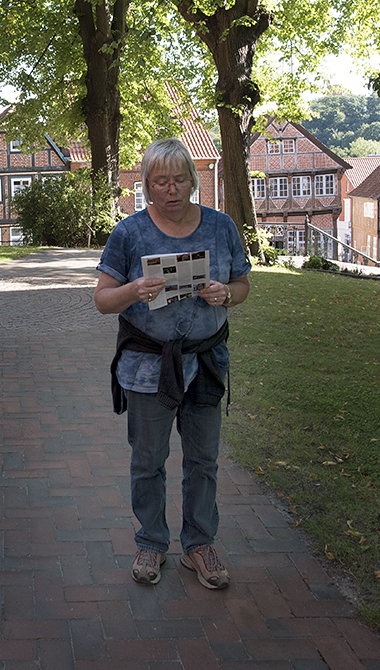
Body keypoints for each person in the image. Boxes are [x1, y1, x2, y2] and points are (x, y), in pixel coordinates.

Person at [94, 137, 251, 589]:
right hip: (147, 368)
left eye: (180, 179)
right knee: (148, 460)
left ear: (193, 181)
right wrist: (132, 290)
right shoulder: (129, 233)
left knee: (203, 460)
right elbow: (103, 301)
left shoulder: (221, 228)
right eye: (160, 181)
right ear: (145, 185)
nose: (171, 189)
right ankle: (151, 542)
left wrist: (226, 294)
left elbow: (241, 286)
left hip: (205, 364)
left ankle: (199, 545)